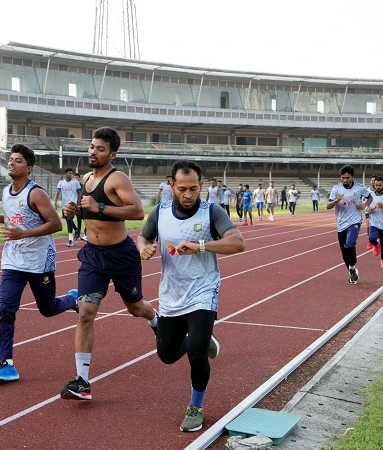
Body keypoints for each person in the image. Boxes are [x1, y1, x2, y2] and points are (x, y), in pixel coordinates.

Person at [137, 159, 245, 432]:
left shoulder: (212, 211)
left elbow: (238, 242)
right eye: (182, 188)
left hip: (202, 290)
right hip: (171, 293)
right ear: (171, 185)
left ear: (201, 186)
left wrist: (201, 246)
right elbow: (142, 237)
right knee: (167, 355)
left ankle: (196, 405)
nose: (188, 195)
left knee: (196, 352)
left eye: (194, 189)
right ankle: (196, 336)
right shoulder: (159, 212)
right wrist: (144, 249)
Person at [60, 127, 158, 400]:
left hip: (121, 254)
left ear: (112, 153)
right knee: (85, 312)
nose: (93, 151)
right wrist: (74, 210)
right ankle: (82, 381)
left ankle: (155, 320)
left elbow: (138, 212)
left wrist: (99, 207)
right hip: (92, 255)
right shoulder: (86, 178)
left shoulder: (118, 179)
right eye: (92, 147)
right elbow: (88, 209)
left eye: (100, 148)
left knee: (136, 308)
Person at [0, 144, 79, 385]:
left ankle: (73, 299)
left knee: (48, 309)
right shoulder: (6, 191)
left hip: (39, 260)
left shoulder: (36, 193)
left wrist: (24, 234)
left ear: (28, 168)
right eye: (10, 159)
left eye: (18, 161)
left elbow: (55, 224)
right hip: (12, 260)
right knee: (6, 309)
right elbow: (13, 219)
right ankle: (6, 364)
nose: (12, 163)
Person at [326, 165, 372, 284]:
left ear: (352, 176)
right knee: (344, 250)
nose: (345, 180)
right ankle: (352, 270)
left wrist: (365, 205)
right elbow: (328, 206)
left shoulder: (360, 188)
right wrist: (337, 200)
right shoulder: (336, 189)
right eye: (343, 178)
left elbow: (370, 197)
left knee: (349, 245)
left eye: (347, 177)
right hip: (341, 223)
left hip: (355, 221)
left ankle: (352, 265)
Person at [366, 176, 383, 268]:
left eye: (380, 185)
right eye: (376, 185)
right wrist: (368, 210)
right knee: (371, 238)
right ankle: (376, 245)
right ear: (374, 185)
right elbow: (366, 207)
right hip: (374, 222)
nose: (378, 187)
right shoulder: (370, 196)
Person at [54, 168, 83, 247]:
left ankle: (70, 240)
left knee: (69, 220)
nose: (71, 175)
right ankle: (76, 229)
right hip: (64, 205)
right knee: (67, 220)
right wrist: (55, 204)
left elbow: (79, 192)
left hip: (73, 205)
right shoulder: (61, 182)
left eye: (72, 173)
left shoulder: (75, 182)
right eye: (69, 173)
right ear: (65, 174)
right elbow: (57, 193)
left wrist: (78, 204)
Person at [364, 176, 377, 250]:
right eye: (371, 180)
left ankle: (376, 241)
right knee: (368, 225)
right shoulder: (367, 190)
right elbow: (364, 200)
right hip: (368, 210)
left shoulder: (379, 190)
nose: (372, 182)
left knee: (377, 227)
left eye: (374, 180)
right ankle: (369, 240)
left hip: (377, 211)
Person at [73, 173, 86, 241]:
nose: (76, 179)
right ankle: (76, 230)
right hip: (73, 204)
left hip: (80, 205)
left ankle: (79, 233)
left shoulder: (82, 186)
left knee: (80, 219)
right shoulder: (72, 185)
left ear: (79, 178)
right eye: (74, 177)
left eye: (77, 177)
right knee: (68, 219)